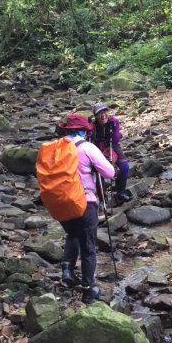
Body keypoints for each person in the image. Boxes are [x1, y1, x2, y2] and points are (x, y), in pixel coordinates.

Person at [57, 113, 115, 303]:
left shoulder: (56, 148)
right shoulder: (87, 148)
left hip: (61, 202)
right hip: (85, 201)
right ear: (83, 131)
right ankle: (88, 289)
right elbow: (109, 172)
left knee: (72, 234)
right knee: (88, 246)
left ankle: (67, 269)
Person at [90, 102, 132, 203]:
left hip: (112, 145)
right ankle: (102, 197)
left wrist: (113, 126)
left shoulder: (113, 121)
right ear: (96, 116)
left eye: (104, 111)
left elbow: (116, 139)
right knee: (98, 172)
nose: (103, 115)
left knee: (124, 167)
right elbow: (89, 139)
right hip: (98, 147)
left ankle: (120, 192)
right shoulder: (92, 126)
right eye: (99, 113)